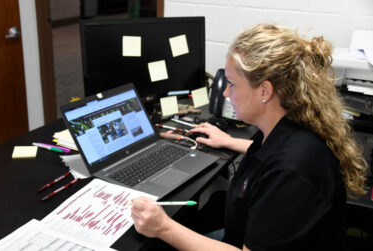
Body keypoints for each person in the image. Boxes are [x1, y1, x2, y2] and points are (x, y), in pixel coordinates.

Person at [130, 24, 367, 250]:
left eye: (232, 84)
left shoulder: (291, 171)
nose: (225, 92)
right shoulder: (290, 127)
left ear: (264, 90)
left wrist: (163, 227)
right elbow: (272, 154)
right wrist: (229, 141)